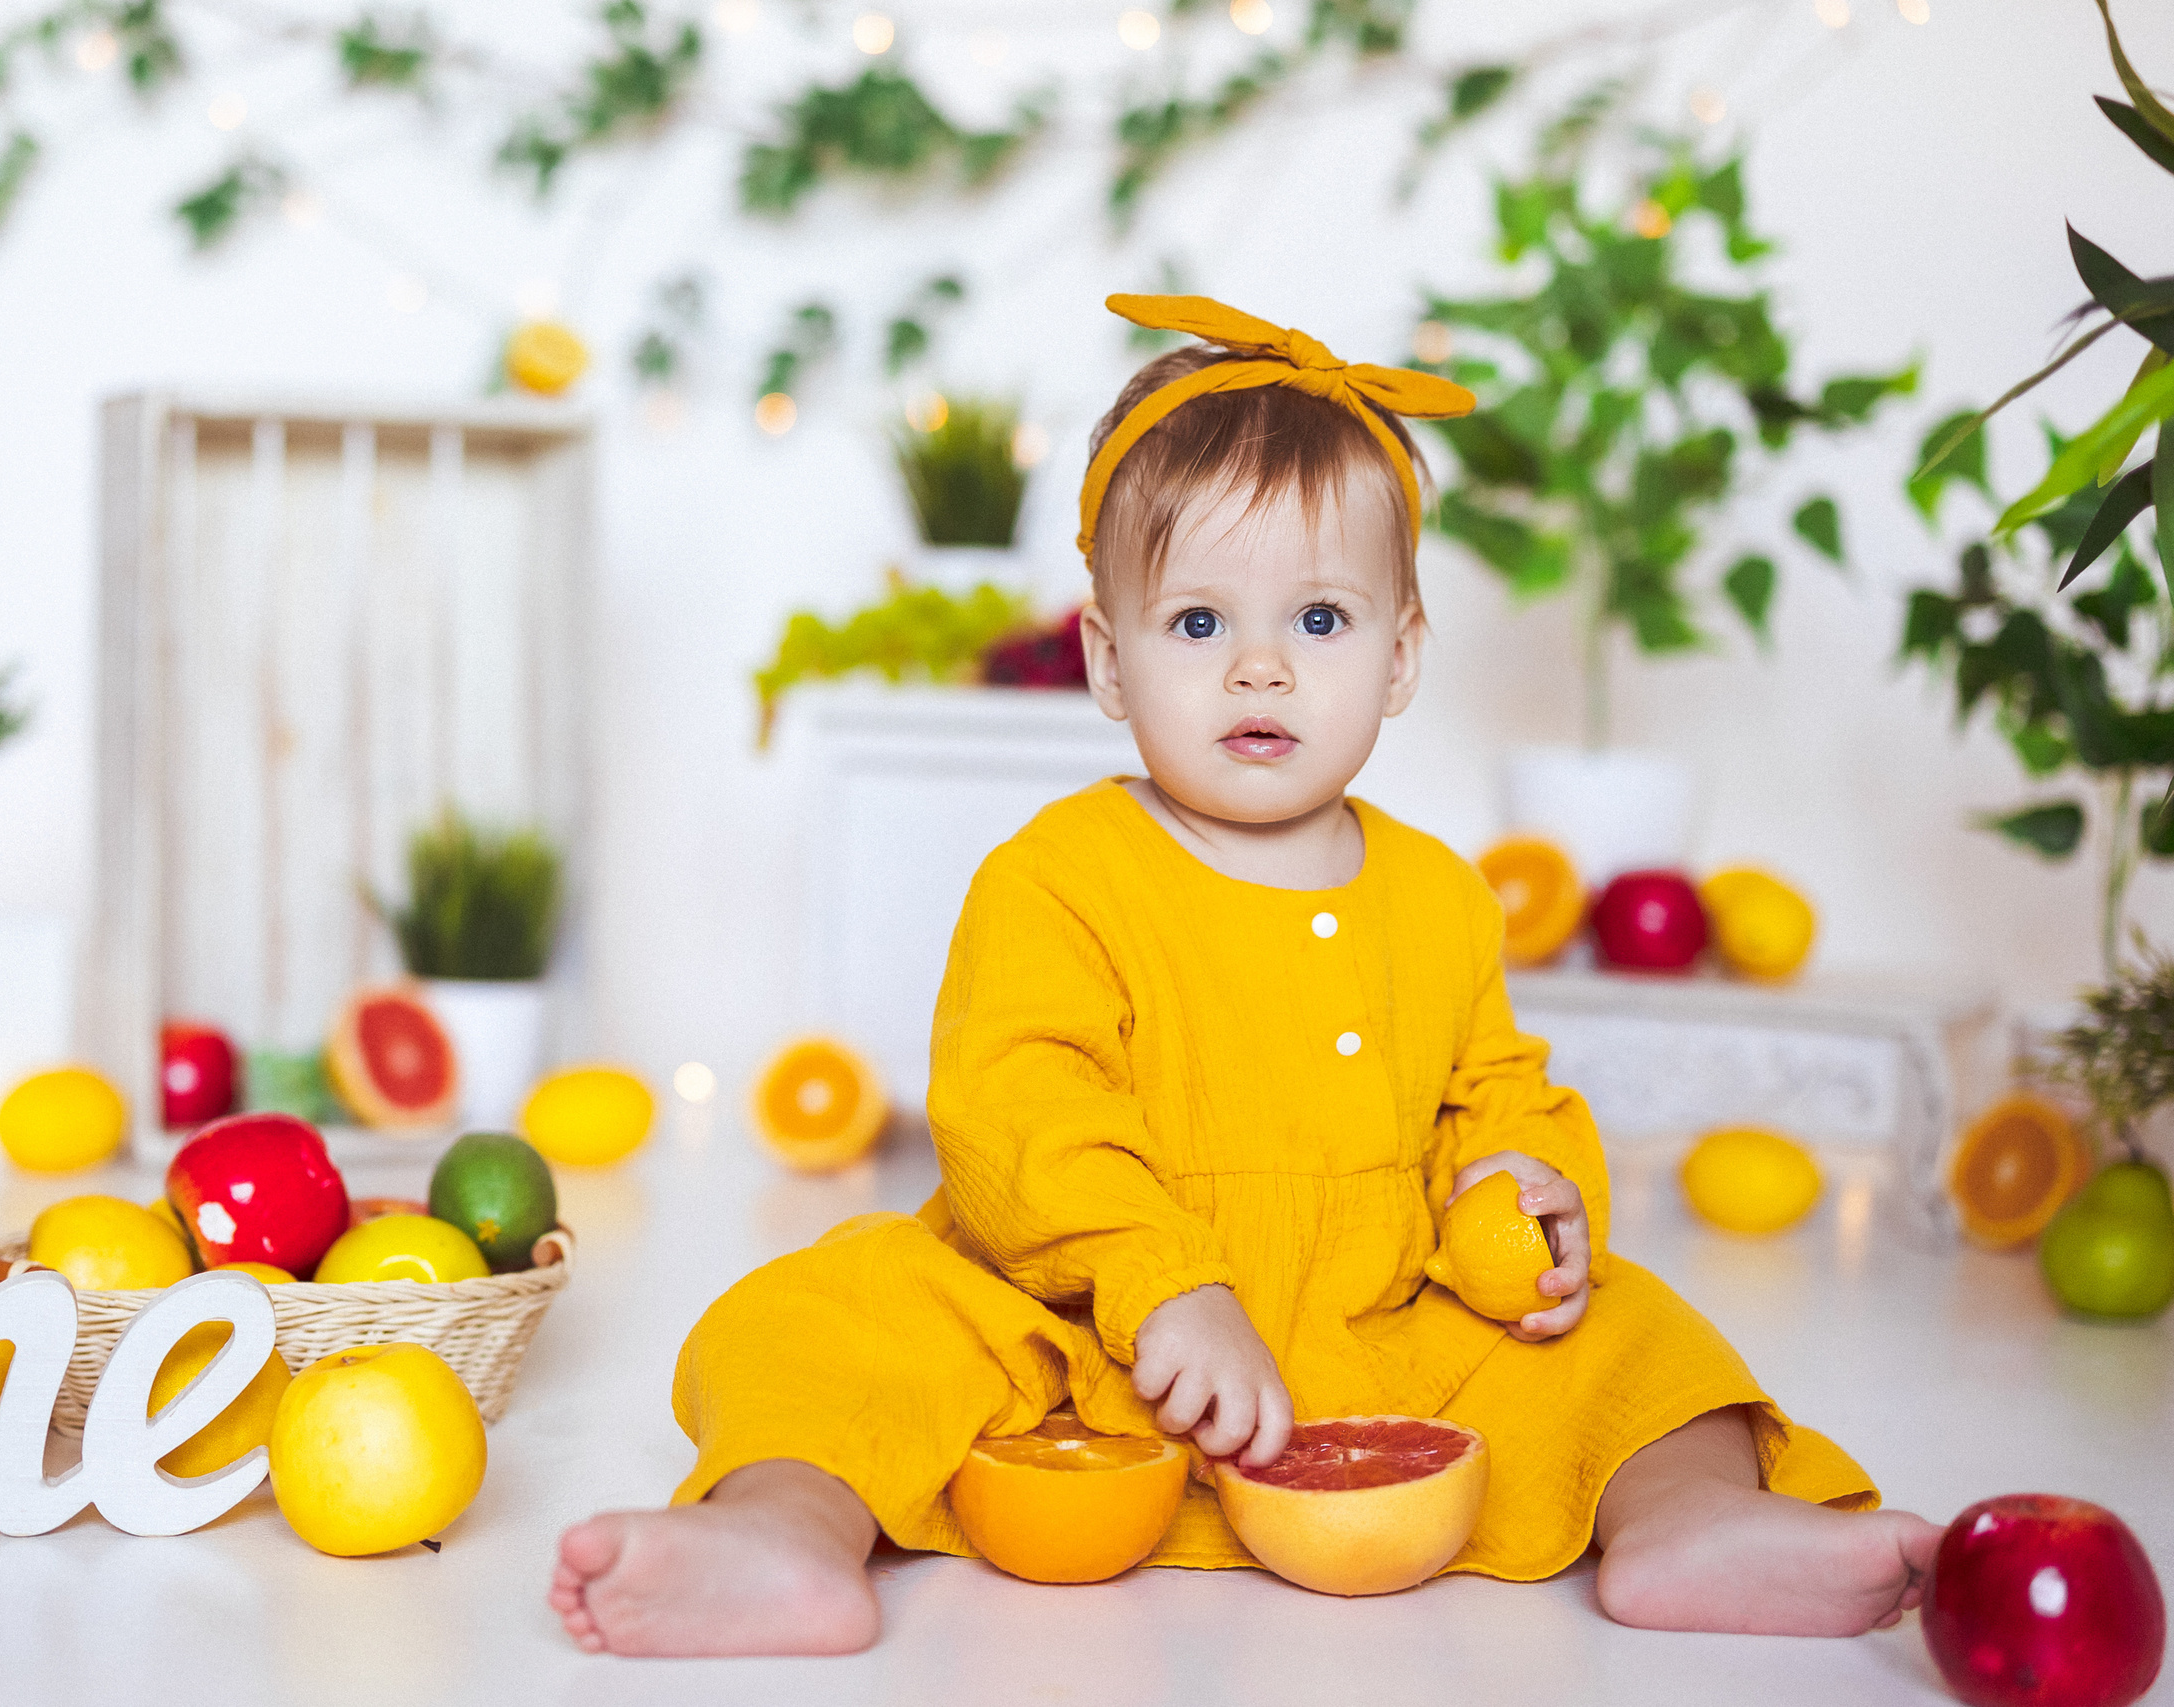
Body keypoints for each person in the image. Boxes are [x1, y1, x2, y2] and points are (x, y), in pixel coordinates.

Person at [550, 295, 1941, 1658]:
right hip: (1091, 1337)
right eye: (1201, 624)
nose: (1261, 669)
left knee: (1643, 1333)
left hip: (1378, 1333)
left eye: (1321, 623)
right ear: (1108, 657)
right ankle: (784, 1536)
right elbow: (1016, 1104)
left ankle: (1688, 1522)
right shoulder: (1060, 873)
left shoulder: (1441, 896)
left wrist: (1523, 1194)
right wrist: (1162, 1284)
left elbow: (1492, 1091)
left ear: (1399, 658)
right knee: (832, 1312)